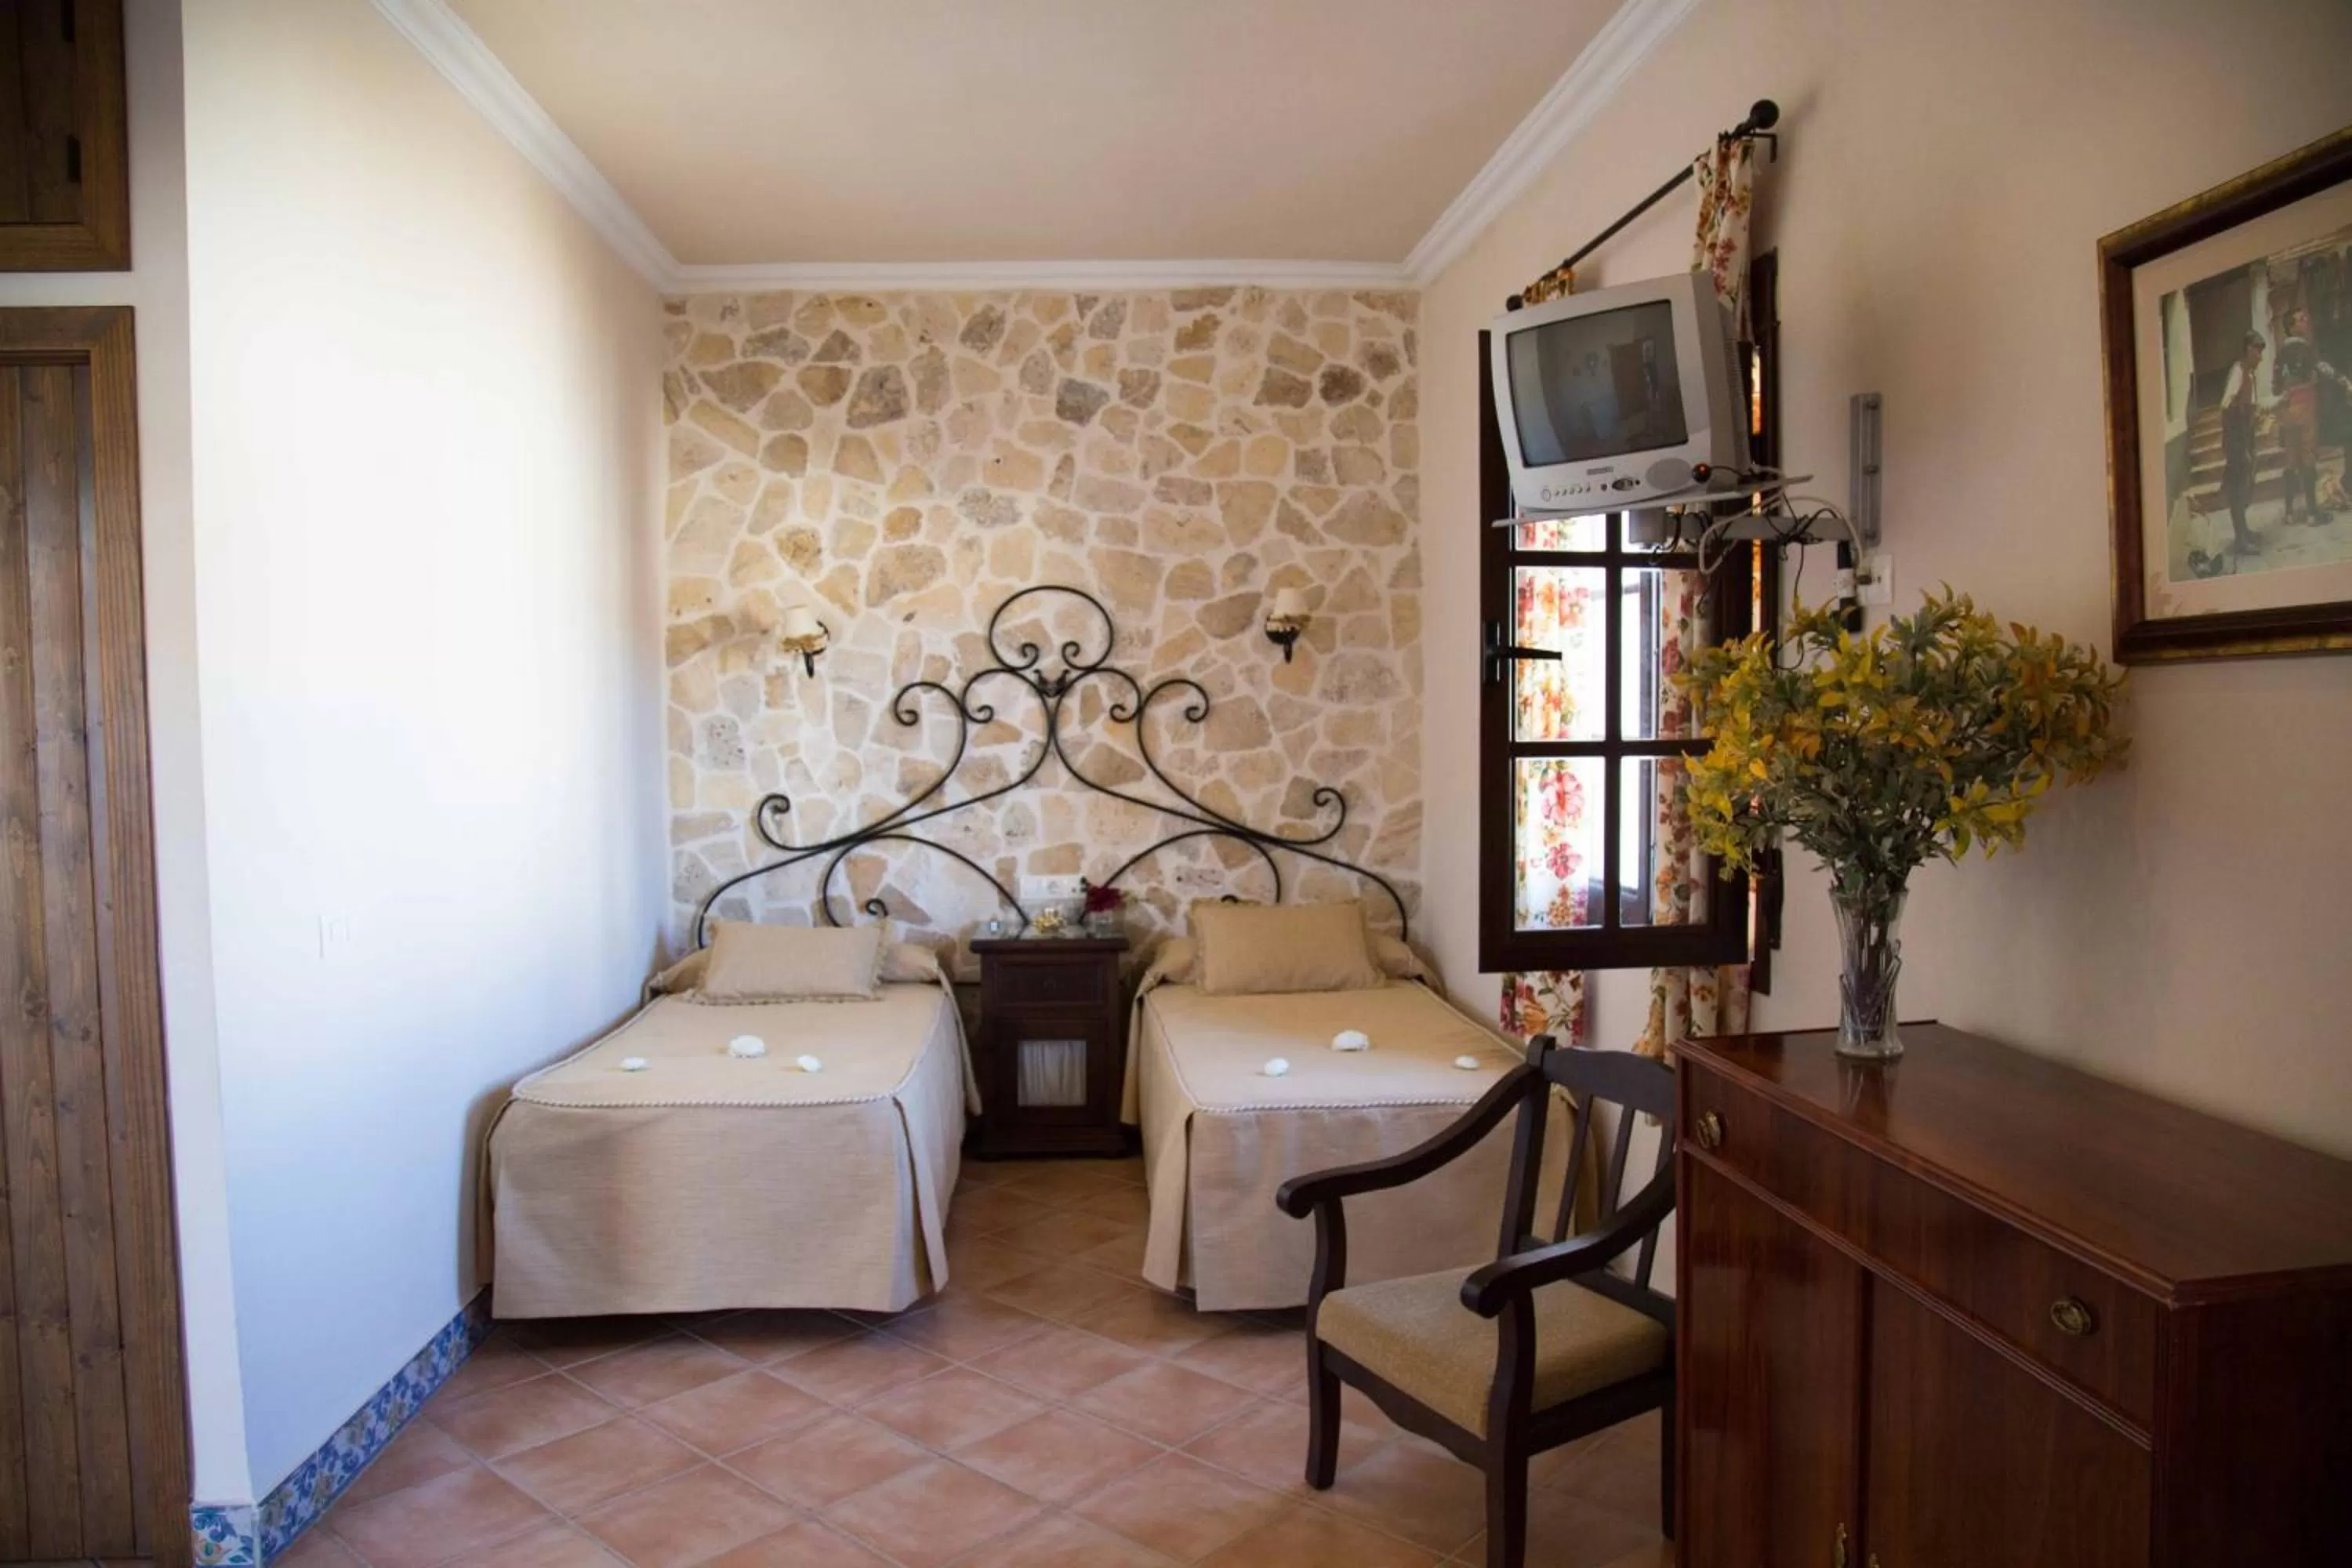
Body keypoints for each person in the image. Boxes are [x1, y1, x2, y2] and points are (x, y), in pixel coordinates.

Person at [2271, 303, 2352, 523]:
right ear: (2291, 327)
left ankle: (2288, 513)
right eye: (2301, 319)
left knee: (2290, 461)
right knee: (2308, 458)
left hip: (2287, 410)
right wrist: (2342, 380)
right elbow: (2320, 368)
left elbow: (2275, 386)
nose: (2306, 321)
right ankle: (2312, 513)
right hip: (2305, 406)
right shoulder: (2304, 348)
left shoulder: (2280, 355)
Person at [2219, 330, 2267, 553]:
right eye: (2258, 351)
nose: (2261, 357)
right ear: (2249, 349)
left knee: (2245, 485)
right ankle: (2240, 540)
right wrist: (2240, 444)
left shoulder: (2249, 374)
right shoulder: (2238, 372)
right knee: (2237, 488)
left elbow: (2249, 407)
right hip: (2237, 438)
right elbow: (2227, 407)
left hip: (2246, 436)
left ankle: (2244, 531)